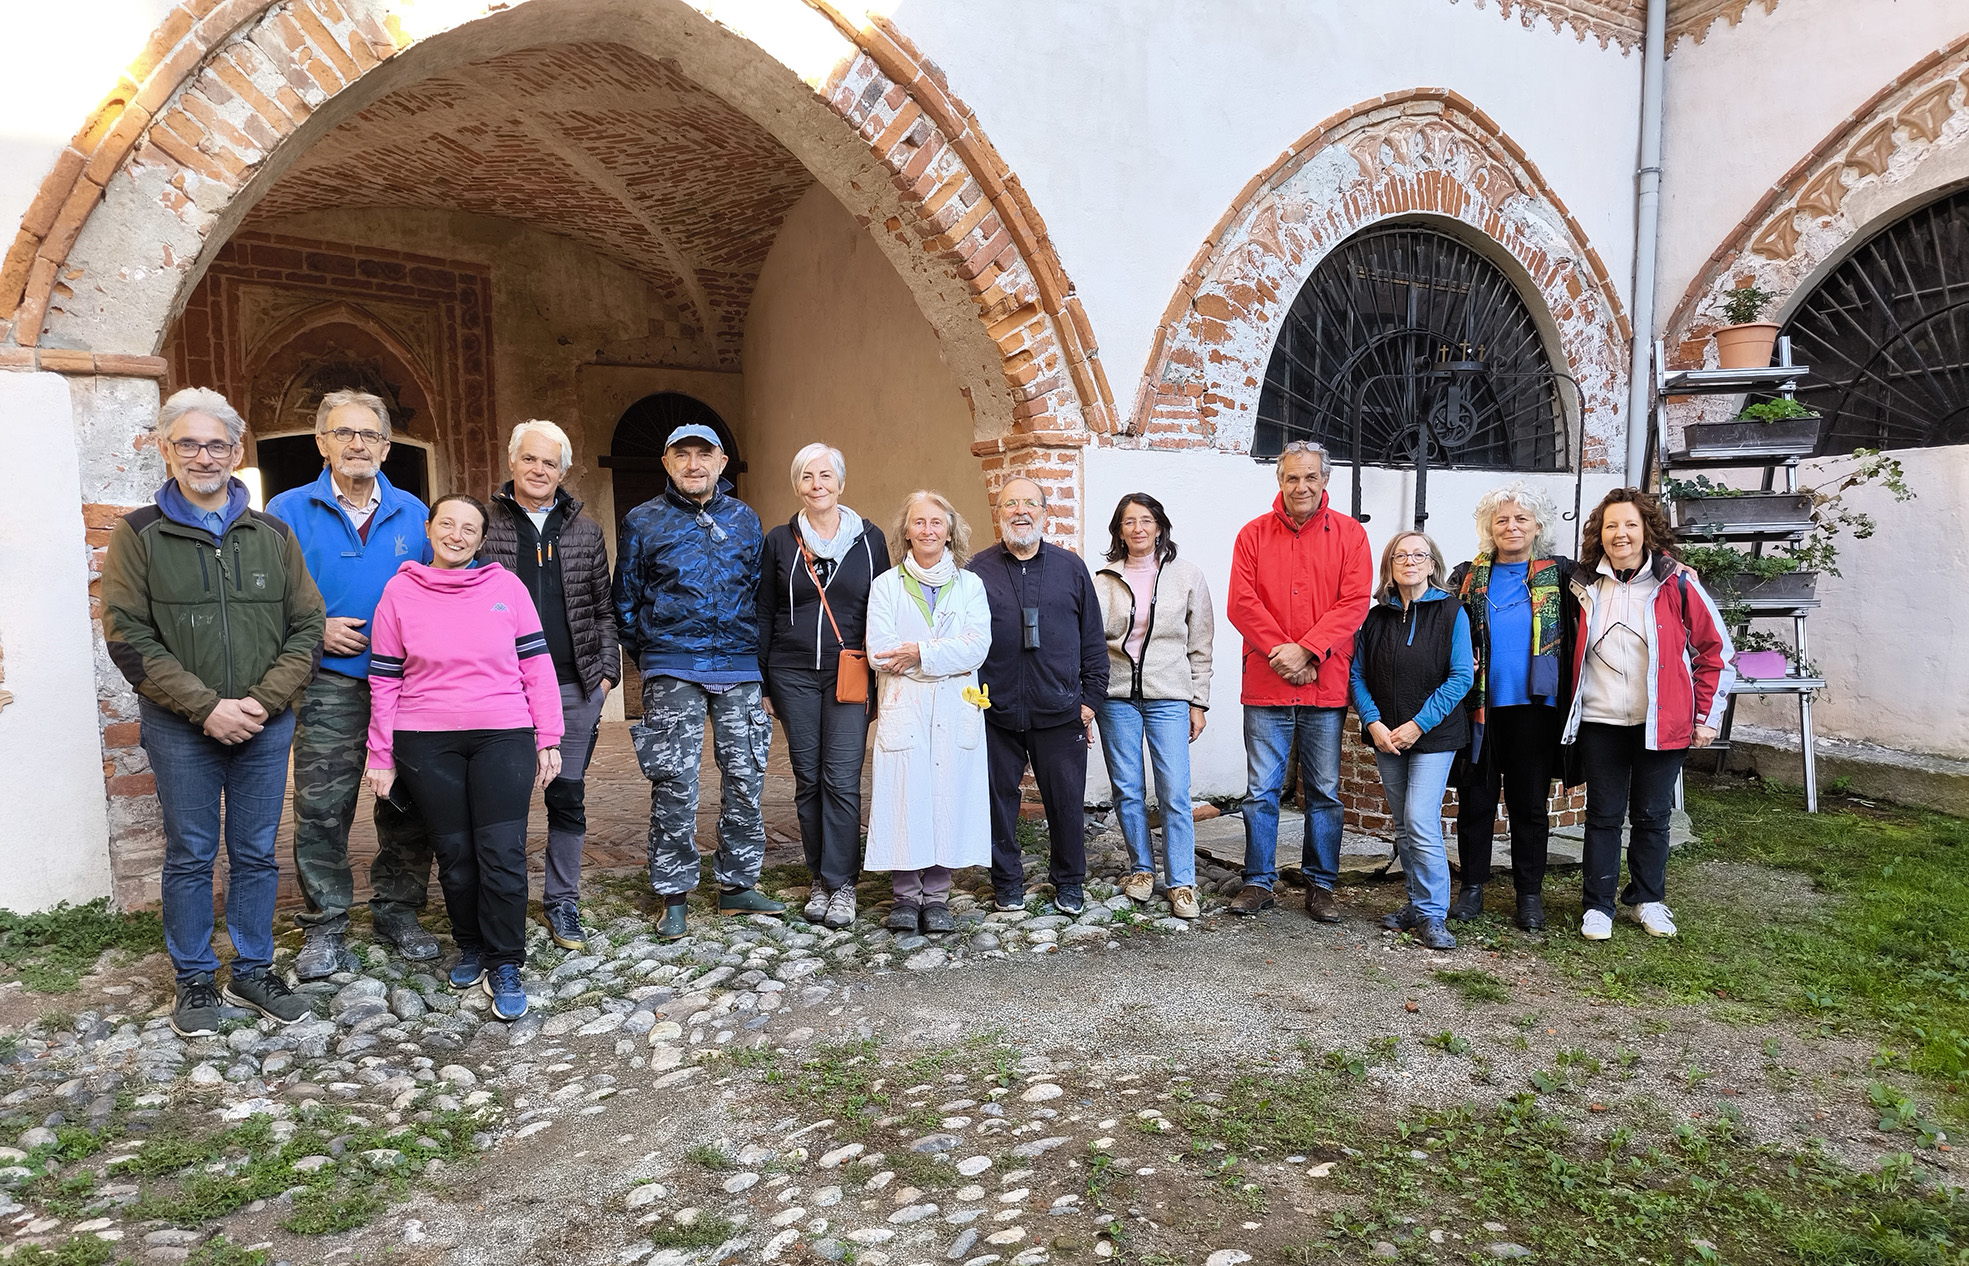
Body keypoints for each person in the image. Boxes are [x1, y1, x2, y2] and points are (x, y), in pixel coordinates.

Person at [100, 387, 325, 1036]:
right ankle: (195, 980)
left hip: (263, 721)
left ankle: (253, 969)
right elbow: (129, 639)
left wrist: (257, 702)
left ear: (237, 448)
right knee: (192, 853)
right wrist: (207, 708)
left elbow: (307, 628)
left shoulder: (272, 534)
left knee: (256, 852)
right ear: (167, 449)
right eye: (190, 443)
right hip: (181, 726)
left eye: (218, 443)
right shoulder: (139, 534)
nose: (205, 456)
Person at [362, 494, 564, 1020]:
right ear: (429, 529)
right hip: (425, 738)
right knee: (454, 855)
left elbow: (537, 666)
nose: (457, 534)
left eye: (469, 528)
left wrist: (549, 736)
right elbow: (384, 678)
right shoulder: (399, 592)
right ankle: (470, 942)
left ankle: (505, 959)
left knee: (501, 849)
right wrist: (379, 755)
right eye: (447, 524)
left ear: (481, 538)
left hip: (503, 732)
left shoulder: (506, 587)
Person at [267, 388, 438, 979]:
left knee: (409, 806)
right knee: (322, 807)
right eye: (344, 433)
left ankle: (398, 910)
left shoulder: (418, 516)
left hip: (408, 688)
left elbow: (440, 592)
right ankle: (326, 924)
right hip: (327, 684)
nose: (357, 444)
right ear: (321, 443)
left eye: (368, 435)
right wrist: (314, 631)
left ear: (387, 448)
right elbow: (264, 599)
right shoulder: (285, 512)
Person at [613, 423, 785, 940]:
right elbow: (625, 598)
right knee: (675, 784)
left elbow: (760, 594)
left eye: (703, 455)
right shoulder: (643, 521)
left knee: (747, 778)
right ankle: (673, 892)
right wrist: (653, 656)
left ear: (721, 462)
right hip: (673, 666)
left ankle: (737, 886)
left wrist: (754, 656)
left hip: (737, 666)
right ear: (666, 463)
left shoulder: (744, 519)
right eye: (681, 455)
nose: (693, 464)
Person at [1562, 488, 1734, 941]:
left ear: (1647, 531)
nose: (1621, 534)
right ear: (1600, 533)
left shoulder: (1676, 582)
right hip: (1600, 721)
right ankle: (1597, 906)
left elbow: (1717, 652)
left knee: (1653, 816)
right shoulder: (1582, 583)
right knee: (1602, 815)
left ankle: (1647, 899)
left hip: (1662, 722)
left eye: (1630, 525)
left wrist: (1706, 717)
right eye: (1612, 525)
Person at [478, 420, 618, 952]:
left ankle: (563, 901)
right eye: (530, 460)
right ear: (512, 462)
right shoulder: (484, 523)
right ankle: (504, 903)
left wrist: (605, 674)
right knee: (504, 802)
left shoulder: (585, 528)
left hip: (573, 685)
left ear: (563, 470)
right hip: (501, 689)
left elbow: (603, 608)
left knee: (567, 796)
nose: (540, 471)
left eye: (550, 463)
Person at [1226, 440, 1373, 920]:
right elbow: (1241, 603)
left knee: (1324, 792)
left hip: (1323, 681)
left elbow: (1353, 603)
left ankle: (1321, 883)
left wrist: (1308, 649)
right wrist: (1281, 652)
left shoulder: (1351, 536)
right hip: (1267, 682)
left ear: (1325, 480)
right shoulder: (1252, 534)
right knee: (1260, 791)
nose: (1301, 486)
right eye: (1292, 477)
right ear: (1279, 480)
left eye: (1311, 477)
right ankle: (1258, 881)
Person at [757, 443, 887, 929]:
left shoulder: (870, 540)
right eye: (807, 477)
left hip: (850, 672)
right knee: (808, 777)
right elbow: (765, 609)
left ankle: (843, 882)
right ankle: (820, 878)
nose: (817, 485)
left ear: (841, 483)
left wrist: (881, 675)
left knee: (842, 777)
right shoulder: (780, 540)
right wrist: (765, 677)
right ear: (798, 486)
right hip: (791, 674)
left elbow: (882, 608)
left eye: (825, 476)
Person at [969, 477, 1108, 914]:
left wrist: (1090, 701)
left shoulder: (1071, 568)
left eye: (1030, 503)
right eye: (1011, 503)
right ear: (999, 513)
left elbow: (1093, 641)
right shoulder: (977, 570)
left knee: (1066, 804)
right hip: (994, 710)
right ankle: (1006, 882)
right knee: (997, 803)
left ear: (1045, 513)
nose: (1020, 511)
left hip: (1061, 709)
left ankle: (1069, 881)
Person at [1446, 483, 1574, 932]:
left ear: (1538, 526)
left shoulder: (1560, 575)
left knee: (1529, 806)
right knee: (1475, 802)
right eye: (1501, 519)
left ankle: (1529, 894)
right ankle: (1472, 887)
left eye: (1521, 518)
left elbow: (1616, 574)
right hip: (1479, 708)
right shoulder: (1466, 576)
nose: (1511, 526)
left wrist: (1674, 565)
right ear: (1489, 528)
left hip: (1535, 710)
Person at [864, 491, 993, 931]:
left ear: (951, 531)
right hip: (906, 709)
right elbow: (881, 653)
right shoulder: (886, 585)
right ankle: (904, 895)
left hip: (954, 708)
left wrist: (918, 653)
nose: (928, 530)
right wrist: (940, 660)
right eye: (919, 522)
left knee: (947, 796)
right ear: (906, 531)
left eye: (936, 523)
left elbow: (977, 648)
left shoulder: (970, 585)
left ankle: (937, 895)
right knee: (906, 797)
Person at [1091, 493, 1214, 920]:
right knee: (1127, 788)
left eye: (1146, 520)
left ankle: (1181, 881)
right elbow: (1089, 644)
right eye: (1129, 522)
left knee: (1174, 791)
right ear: (1119, 530)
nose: (1138, 529)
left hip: (1168, 696)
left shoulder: (1187, 576)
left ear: (1160, 526)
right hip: (1117, 697)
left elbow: (1201, 646)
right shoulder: (1103, 579)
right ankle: (1141, 870)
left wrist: (1199, 702)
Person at [1350, 532, 1474, 951]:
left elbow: (1461, 677)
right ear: (1389, 565)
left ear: (1432, 563)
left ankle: (1434, 913)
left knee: (1420, 820)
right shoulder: (1376, 617)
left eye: (1419, 554)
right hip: (1387, 737)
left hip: (1434, 735)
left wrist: (1418, 725)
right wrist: (1373, 722)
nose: (1410, 561)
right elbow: (1357, 675)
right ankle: (1417, 904)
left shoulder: (1452, 612)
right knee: (1403, 823)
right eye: (1400, 555)